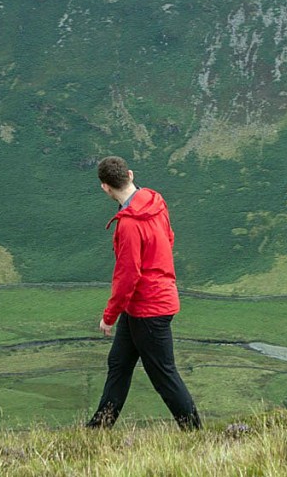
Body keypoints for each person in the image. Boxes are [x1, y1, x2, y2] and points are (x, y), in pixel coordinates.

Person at [86, 156, 201, 430]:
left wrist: (109, 316)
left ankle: (196, 432)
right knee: (119, 363)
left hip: (149, 309)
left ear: (105, 187)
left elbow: (127, 276)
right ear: (130, 174)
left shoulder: (128, 224)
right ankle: (98, 430)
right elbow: (169, 238)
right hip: (143, 305)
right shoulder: (155, 201)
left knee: (164, 375)